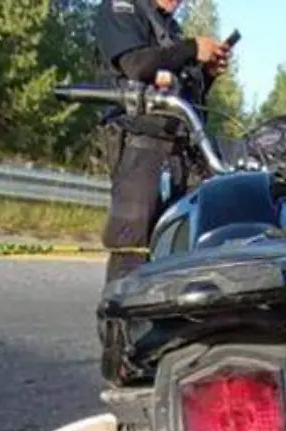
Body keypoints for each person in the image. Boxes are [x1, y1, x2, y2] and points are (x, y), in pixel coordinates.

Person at [92, 0, 231, 384]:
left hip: (179, 148)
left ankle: (175, 341)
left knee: (185, 244)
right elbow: (136, 65)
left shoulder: (166, 26)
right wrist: (189, 49)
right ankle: (122, 353)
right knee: (132, 243)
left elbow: (188, 96)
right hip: (139, 142)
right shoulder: (121, 9)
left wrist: (206, 71)